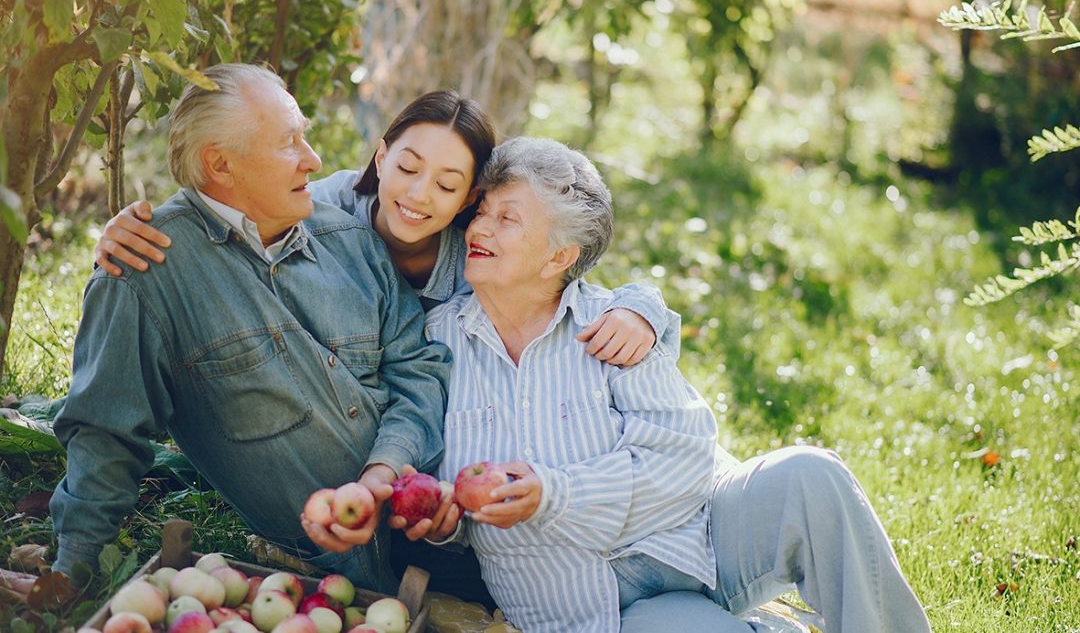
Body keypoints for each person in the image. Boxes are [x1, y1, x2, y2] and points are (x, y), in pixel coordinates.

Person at [84, 81, 675, 604]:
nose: (418, 196)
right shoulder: (330, 212)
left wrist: (644, 308)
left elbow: (565, 275)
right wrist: (128, 233)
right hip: (384, 490)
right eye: (408, 168)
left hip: (468, 466)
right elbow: (229, 204)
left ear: (470, 198)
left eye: (447, 185)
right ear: (380, 156)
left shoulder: (480, 250)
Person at [389, 137, 934, 632]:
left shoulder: (611, 325)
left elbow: (684, 459)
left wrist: (558, 492)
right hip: (579, 604)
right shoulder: (436, 343)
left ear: (559, 257)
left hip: (697, 541)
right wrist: (443, 521)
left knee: (813, 476)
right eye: (482, 212)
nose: (479, 229)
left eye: (507, 218)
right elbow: (444, 491)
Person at [48, 63, 450, 593]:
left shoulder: (351, 237)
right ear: (220, 163)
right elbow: (105, 435)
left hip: (443, 516)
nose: (314, 159)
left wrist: (386, 469)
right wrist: (71, 571)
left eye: (304, 136)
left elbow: (419, 370)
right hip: (337, 576)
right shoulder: (148, 271)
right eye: (289, 143)